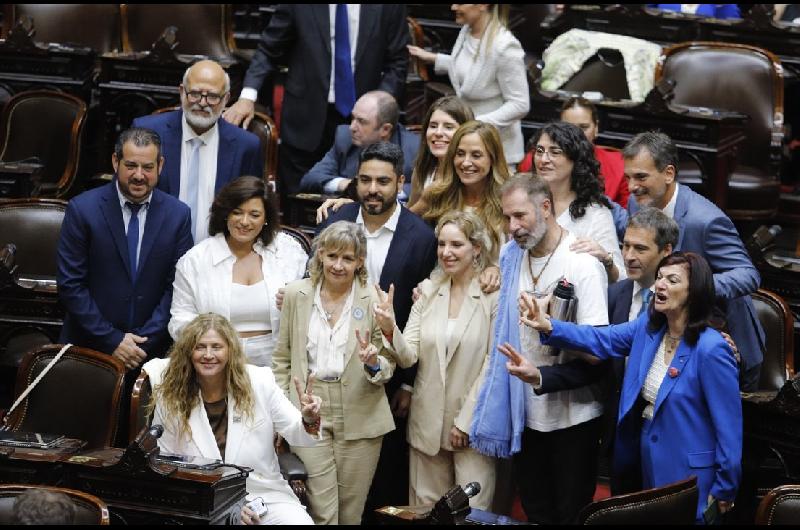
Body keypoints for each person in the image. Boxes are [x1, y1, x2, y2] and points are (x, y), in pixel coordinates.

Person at [504, 251, 742, 523]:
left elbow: (729, 429)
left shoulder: (712, 348)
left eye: (672, 280)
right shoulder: (648, 330)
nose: (661, 285)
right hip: (647, 463)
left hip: (692, 475)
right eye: (660, 277)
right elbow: (600, 338)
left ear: (695, 292)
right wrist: (548, 325)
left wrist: (725, 487)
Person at [470, 174, 608, 525]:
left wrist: (552, 329)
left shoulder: (582, 264)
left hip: (573, 417)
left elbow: (598, 353)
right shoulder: (510, 255)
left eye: (520, 216)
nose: (512, 227)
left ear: (545, 207)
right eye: (507, 217)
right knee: (535, 512)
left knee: (569, 516)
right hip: (524, 412)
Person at [314, 142, 436, 518]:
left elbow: (421, 315)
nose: (372, 189)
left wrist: (408, 384)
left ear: (400, 182)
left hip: (387, 375)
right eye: (365, 180)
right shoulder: (335, 220)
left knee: (380, 482)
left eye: (383, 181)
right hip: (330, 372)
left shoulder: (421, 237)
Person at [534, 207, 680, 495]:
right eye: (625, 245)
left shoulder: (686, 301)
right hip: (620, 435)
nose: (629, 256)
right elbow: (598, 352)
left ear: (666, 250)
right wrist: (541, 375)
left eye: (640, 248)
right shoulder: (615, 295)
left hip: (669, 437)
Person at [273, 221, 398, 525]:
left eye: (347, 258)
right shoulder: (296, 294)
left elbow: (389, 363)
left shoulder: (374, 299)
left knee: (351, 514)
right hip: (310, 409)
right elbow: (282, 359)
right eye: (331, 256)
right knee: (322, 512)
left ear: (360, 262)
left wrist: (373, 363)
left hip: (361, 411)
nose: (338, 265)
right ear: (320, 255)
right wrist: (283, 413)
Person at [144, 313, 320, 525]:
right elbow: (165, 463)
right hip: (203, 502)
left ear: (230, 350)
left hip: (263, 495)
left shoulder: (260, 381)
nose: (208, 355)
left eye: (216, 347)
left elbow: (296, 431)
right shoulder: (171, 396)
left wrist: (309, 419)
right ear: (189, 352)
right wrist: (227, 508)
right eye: (200, 347)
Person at [624, 131, 764, 390]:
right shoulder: (637, 203)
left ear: (668, 173)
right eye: (628, 177)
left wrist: (694, 286)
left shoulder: (706, 220)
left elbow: (748, 274)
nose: (632, 187)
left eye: (641, 177)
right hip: (669, 336)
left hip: (721, 342)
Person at [222, 5, 409, 200]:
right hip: (304, 119)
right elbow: (268, 50)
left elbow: (398, 62)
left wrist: (378, 108)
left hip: (361, 122)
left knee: (357, 197)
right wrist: (247, 97)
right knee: (297, 199)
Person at [380, 211, 498, 510]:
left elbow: (493, 364)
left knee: (471, 516)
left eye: (456, 244)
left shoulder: (493, 296)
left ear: (477, 248)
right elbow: (408, 355)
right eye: (442, 244)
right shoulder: (429, 290)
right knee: (425, 514)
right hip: (426, 426)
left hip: (472, 429)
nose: (446, 252)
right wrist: (390, 328)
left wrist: (466, 422)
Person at [57, 127, 193, 366]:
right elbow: (71, 285)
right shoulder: (82, 210)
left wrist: (141, 344)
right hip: (89, 348)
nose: (139, 175)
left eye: (148, 167)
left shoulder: (178, 215)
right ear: (115, 161)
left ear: (160, 165)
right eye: (131, 165)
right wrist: (112, 340)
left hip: (152, 353)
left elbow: (178, 287)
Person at [169, 176, 308, 367]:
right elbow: (180, 319)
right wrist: (208, 345)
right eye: (237, 212)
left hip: (279, 362)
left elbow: (315, 303)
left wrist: (296, 303)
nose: (244, 222)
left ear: (266, 218)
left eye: (254, 215)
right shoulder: (195, 260)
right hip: (214, 362)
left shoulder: (289, 252)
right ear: (225, 214)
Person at [132, 60, 263, 243]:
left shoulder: (246, 146)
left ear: (226, 99)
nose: (202, 103)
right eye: (194, 94)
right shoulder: (148, 132)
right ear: (181, 92)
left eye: (212, 96)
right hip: (155, 249)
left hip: (219, 253)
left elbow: (253, 208)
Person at [408, 4, 530, 167]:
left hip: (496, 153)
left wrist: (474, 124)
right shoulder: (467, 31)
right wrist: (433, 58)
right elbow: (470, 68)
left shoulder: (505, 46)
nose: (453, 7)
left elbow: (520, 104)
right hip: (467, 146)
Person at [314, 95, 473, 217]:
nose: (438, 133)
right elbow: (408, 215)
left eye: (448, 127)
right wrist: (354, 207)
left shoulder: (469, 173)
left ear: (465, 131)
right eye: (433, 126)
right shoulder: (424, 170)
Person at [531, 121, 625, 282]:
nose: (543, 159)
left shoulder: (595, 213)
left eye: (555, 152)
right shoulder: (526, 200)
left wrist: (605, 259)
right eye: (539, 151)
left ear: (575, 160)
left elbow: (620, 278)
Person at [414, 120, 510, 256]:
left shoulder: (508, 198)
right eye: (460, 154)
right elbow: (404, 225)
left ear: (493, 159)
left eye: (476, 155)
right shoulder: (438, 192)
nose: (465, 163)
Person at [299, 90, 418, 197]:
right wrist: (348, 185)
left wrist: (381, 191)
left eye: (361, 121)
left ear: (385, 129)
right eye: (353, 118)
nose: (352, 127)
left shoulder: (415, 149)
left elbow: (423, 188)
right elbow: (310, 179)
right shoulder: (345, 139)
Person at [519, 97, 629, 208]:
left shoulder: (619, 163)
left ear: (596, 128)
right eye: (568, 128)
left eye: (584, 127)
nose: (576, 134)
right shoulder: (535, 160)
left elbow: (626, 212)